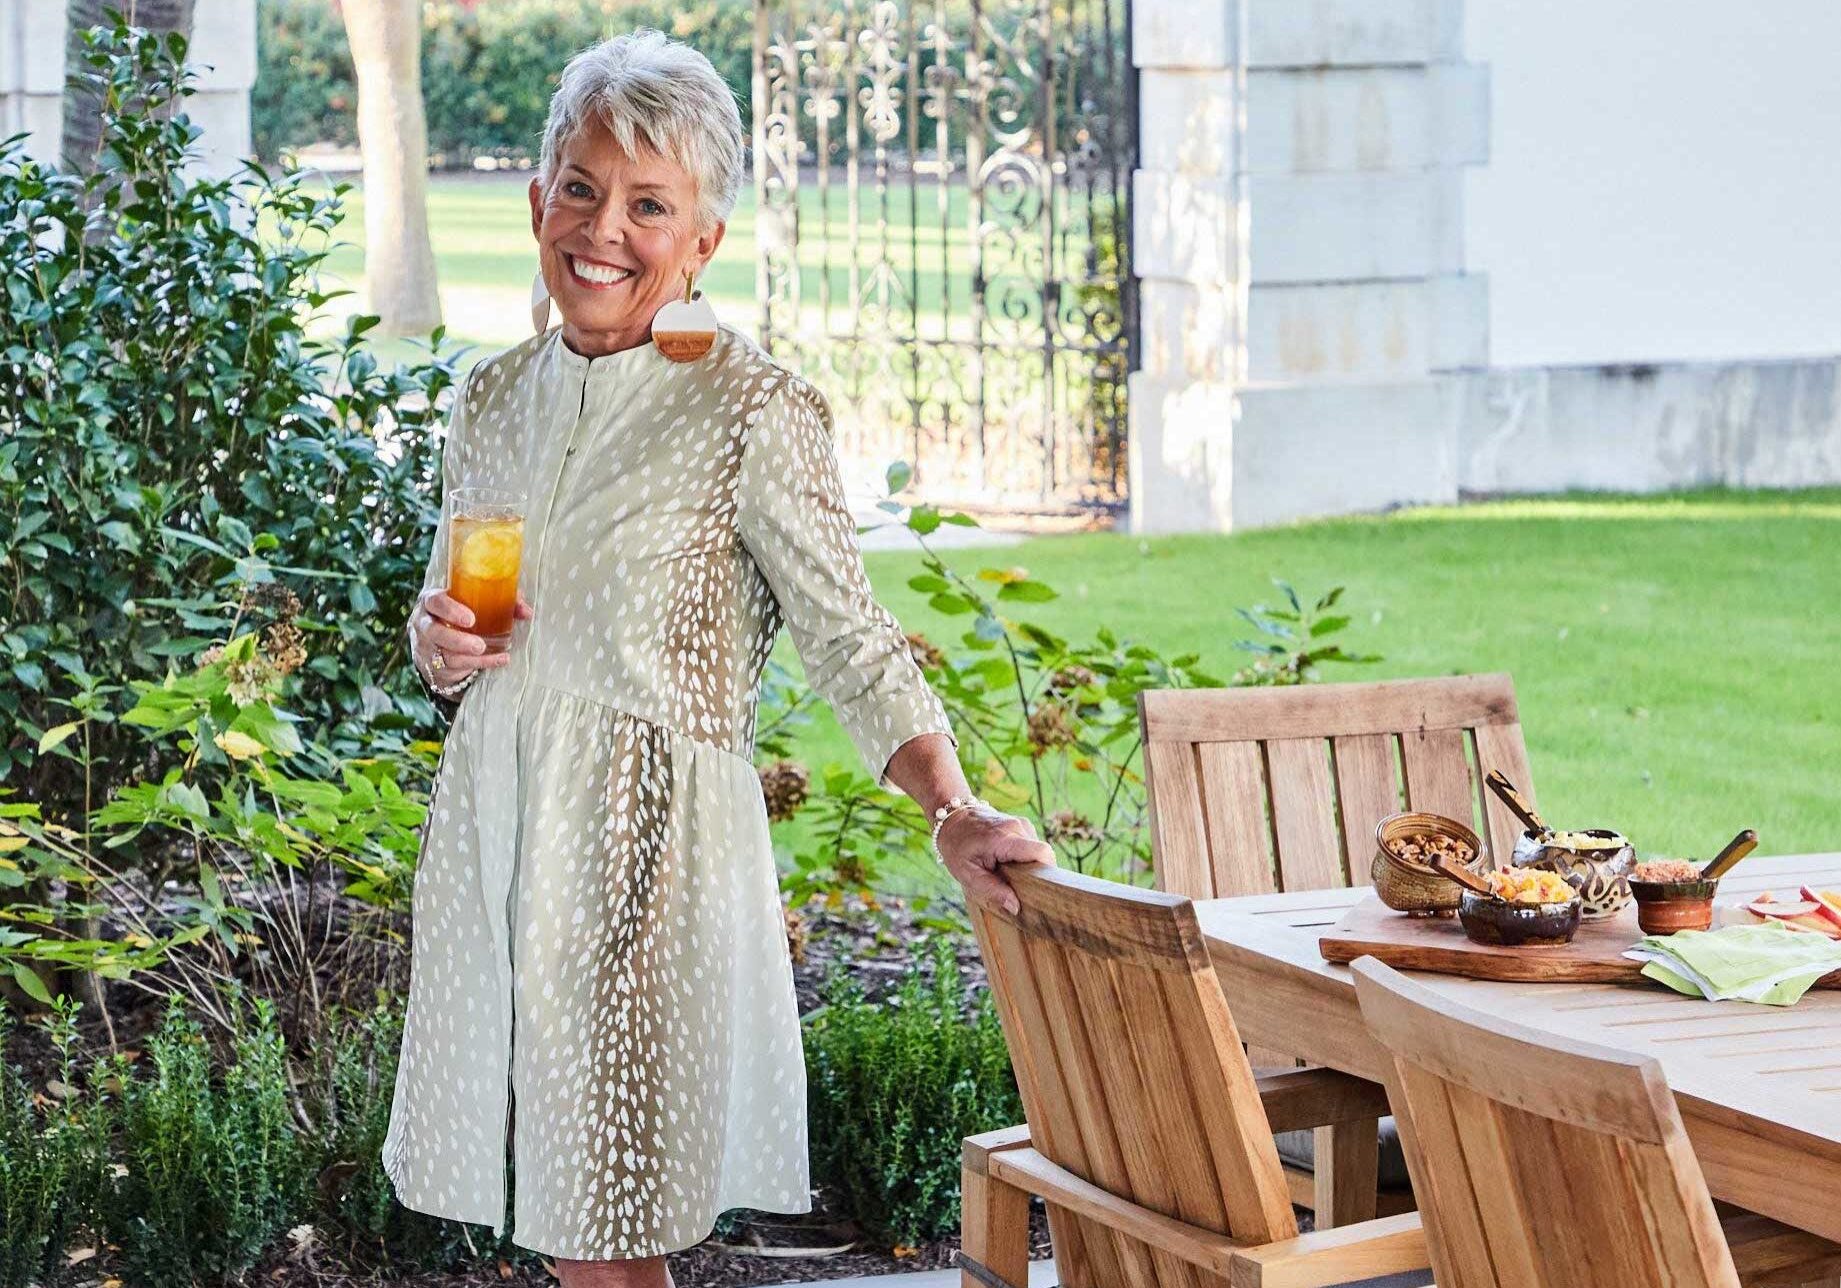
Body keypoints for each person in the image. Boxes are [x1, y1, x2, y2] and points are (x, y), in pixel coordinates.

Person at [378, 29, 1054, 1288]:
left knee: (606, 1232)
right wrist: (438, 640)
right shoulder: (492, 394)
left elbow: (847, 633)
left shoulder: (752, 408)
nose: (602, 229)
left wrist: (950, 807)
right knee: (580, 1234)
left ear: (701, 244)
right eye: (579, 188)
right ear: (537, 201)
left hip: (645, 858)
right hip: (499, 838)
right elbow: (457, 625)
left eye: (649, 206)